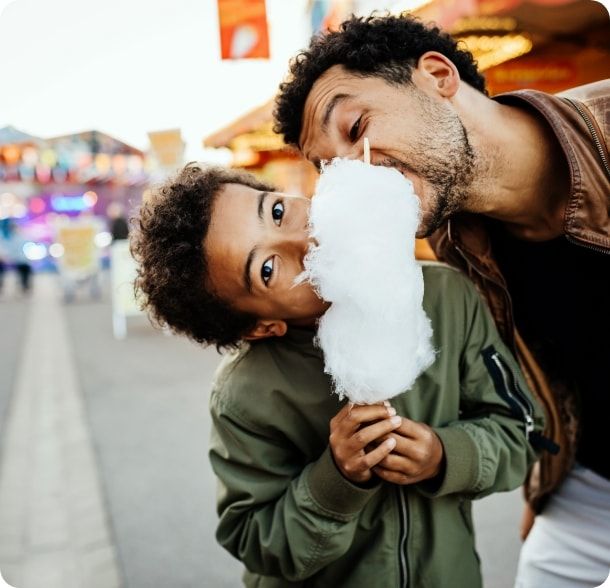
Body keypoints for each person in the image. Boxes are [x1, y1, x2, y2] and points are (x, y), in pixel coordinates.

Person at [272, 14, 610, 588]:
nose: (350, 178)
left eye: (356, 128)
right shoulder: (453, 240)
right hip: (585, 490)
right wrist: (548, 484)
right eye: (327, 168)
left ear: (436, 75)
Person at [131, 163, 545, 587]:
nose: (304, 239)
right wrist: (337, 480)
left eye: (276, 211)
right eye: (268, 269)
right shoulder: (244, 394)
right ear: (260, 327)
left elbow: (524, 431)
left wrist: (445, 455)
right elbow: (255, 539)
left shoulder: (447, 297)